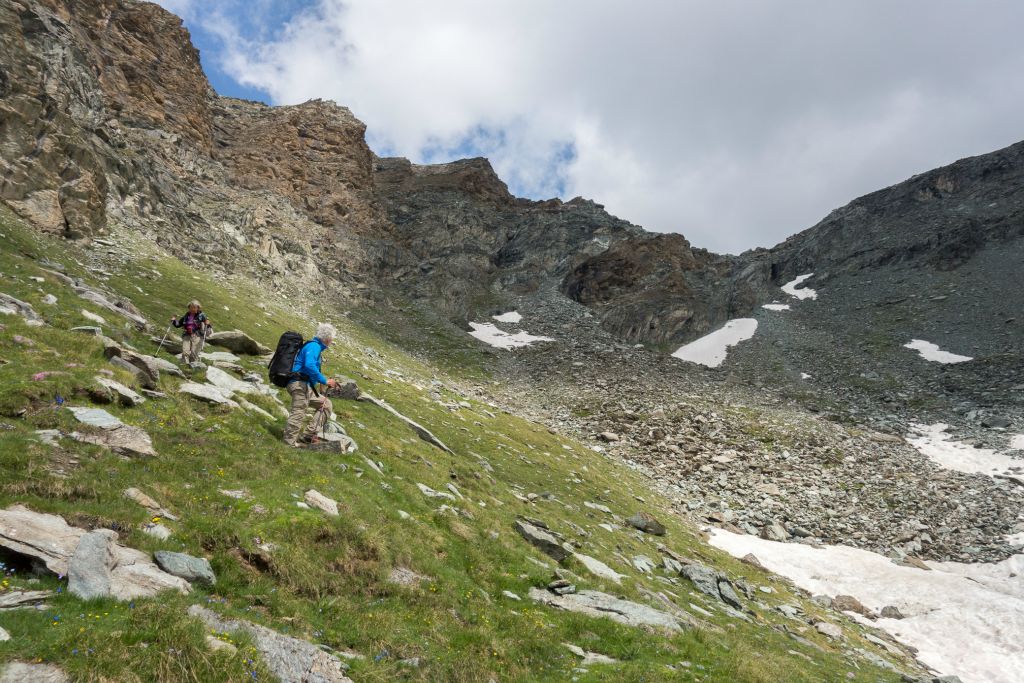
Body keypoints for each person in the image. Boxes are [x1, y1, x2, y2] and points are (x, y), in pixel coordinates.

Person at [284, 322, 338, 447]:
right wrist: (324, 380)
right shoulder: (314, 347)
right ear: (327, 339)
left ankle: (308, 436)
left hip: (306, 386)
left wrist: (320, 380)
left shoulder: (315, 347)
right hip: (299, 384)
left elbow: (311, 367)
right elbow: (309, 365)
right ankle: (289, 443)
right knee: (299, 411)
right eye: (331, 339)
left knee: (326, 405)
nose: (331, 342)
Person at [171, 300, 212, 365]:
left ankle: (193, 367)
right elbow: (178, 325)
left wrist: (208, 323)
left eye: (194, 307)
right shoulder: (186, 316)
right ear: (189, 308)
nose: (193, 309)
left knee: (194, 353)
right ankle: (184, 366)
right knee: (185, 352)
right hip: (186, 334)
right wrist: (173, 321)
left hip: (197, 335)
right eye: (191, 307)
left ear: (198, 308)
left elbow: (207, 325)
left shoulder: (202, 315)